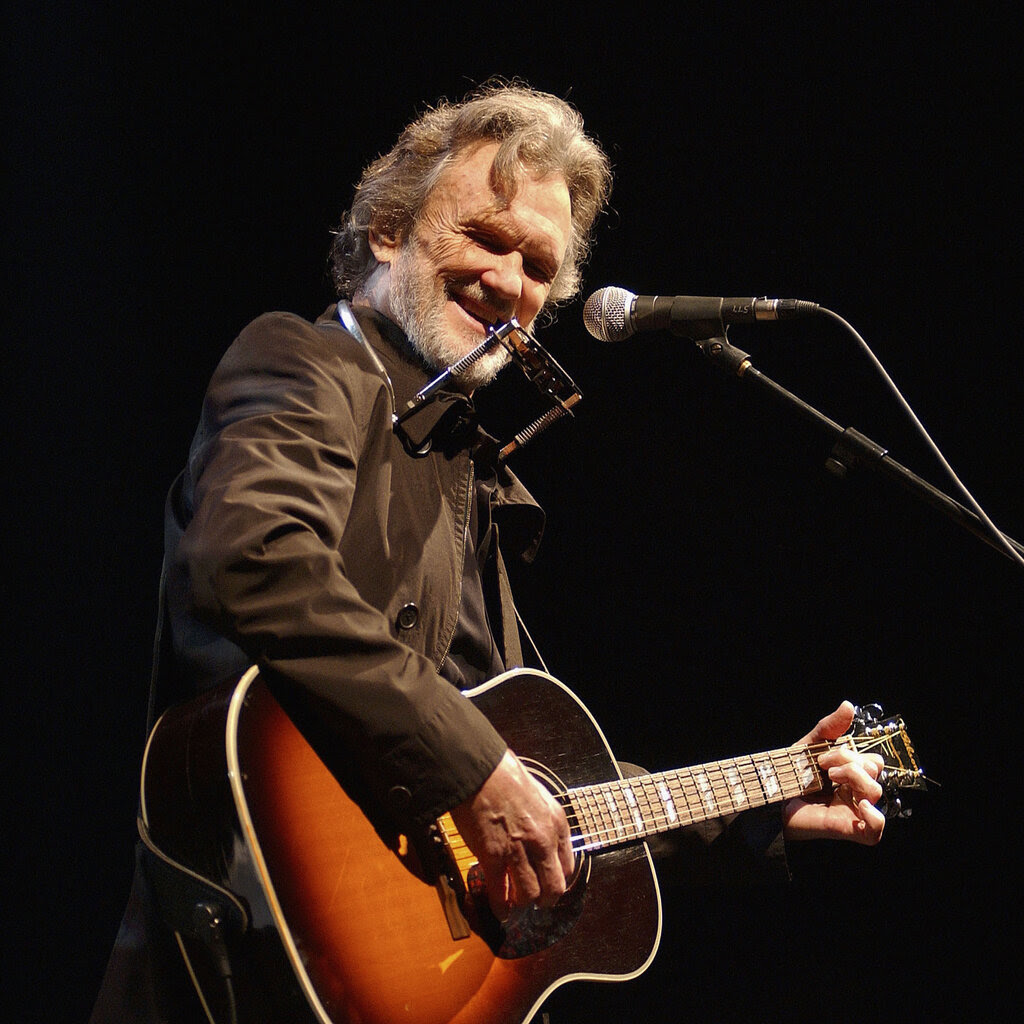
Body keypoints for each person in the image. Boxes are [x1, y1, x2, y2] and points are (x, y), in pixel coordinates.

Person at [91, 81, 885, 1023]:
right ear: (389, 229)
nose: (508, 281)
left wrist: (763, 801)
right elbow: (252, 557)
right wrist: (471, 769)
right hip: (244, 964)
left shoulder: (469, 468)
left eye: (537, 265)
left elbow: (545, 792)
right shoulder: (306, 362)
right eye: (484, 237)